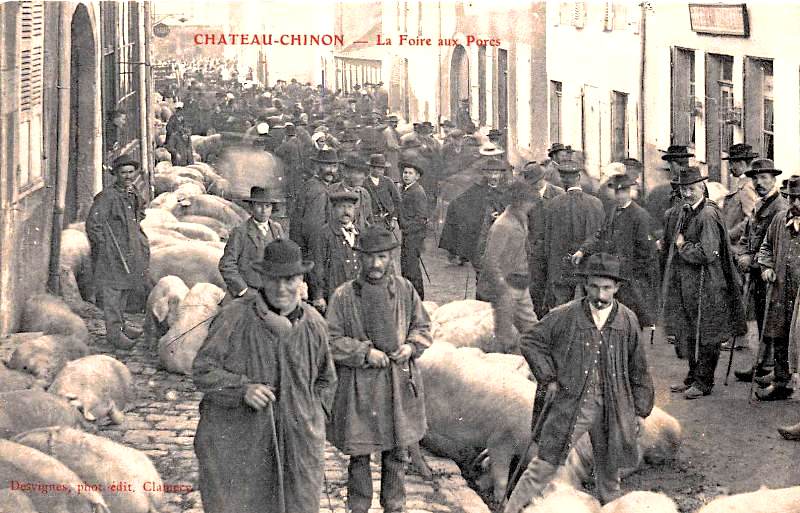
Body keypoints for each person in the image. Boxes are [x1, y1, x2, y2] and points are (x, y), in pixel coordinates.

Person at [193, 238, 337, 513]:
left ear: (301, 279)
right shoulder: (234, 317)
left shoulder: (315, 324)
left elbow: (326, 380)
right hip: (244, 444)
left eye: (289, 278)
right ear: (262, 278)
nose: (281, 287)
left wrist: (312, 417)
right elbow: (202, 370)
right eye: (273, 279)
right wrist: (242, 390)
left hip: (298, 446)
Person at [504, 253, 654, 512]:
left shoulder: (627, 320)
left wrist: (640, 411)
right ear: (585, 285)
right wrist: (548, 376)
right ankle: (511, 509)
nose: (600, 293)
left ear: (617, 288)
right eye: (594, 286)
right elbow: (530, 340)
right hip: (571, 403)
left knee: (609, 474)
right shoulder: (565, 315)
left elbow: (638, 369)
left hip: (612, 406)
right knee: (544, 465)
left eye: (607, 287)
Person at [325, 225, 431, 513]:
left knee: (396, 452)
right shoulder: (345, 296)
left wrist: (410, 347)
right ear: (360, 258)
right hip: (360, 389)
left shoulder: (405, 290)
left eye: (382, 257)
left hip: (396, 385)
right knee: (360, 454)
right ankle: (358, 507)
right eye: (370, 257)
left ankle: (394, 506)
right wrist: (364, 352)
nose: (375, 264)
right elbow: (330, 339)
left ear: (391, 258)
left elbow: (422, 327)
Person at [663, 167, 747, 399]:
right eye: (683, 189)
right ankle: (692, 376)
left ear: (702, 187)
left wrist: (682, 247)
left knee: (707, 332)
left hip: (708, 283)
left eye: (691, 189)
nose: (687, 194)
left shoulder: (707, 214)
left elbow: (708, 253)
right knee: (691, 329)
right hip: (691, 283)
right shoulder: (688, 211)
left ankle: (703, 382)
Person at [573, 174, 657, 329]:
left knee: (630, 320)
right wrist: (582, 250)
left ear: (629, 192)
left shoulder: (640, 215)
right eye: (617, 192)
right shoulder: (612, 211)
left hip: (630, 279)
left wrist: (633, 274)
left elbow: (646, 252)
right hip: (612, 274)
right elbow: (600, 235)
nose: (619, 195)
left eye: (623, 191)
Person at [86, 155, 150, 349]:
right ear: (116, 174)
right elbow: (93, 225)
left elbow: (140, 212)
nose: (128, 176)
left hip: (129, 249)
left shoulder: (132, 192)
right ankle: (114, 334)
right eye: (123, 173)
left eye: (131, 172)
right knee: (113, 293)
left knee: (124, 289)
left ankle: (121, 326)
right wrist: (105, 248)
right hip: (112, 253)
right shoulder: (108, 197)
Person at [733, 158, 786, 378]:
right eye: (755, 178)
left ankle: (771, 367)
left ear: (773, 179)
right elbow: (747, 235)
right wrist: (743, 254)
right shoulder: (758, 204)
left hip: (770, 273)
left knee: (773, 319)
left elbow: (776, 246)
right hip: (756, 272)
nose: (758, 183)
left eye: (764, 177)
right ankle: (763, 363)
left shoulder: (780, 208)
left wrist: (753, 261)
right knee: (763, 319)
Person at [477, 179, 540, 353]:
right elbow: (490, 260)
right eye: (529, 201)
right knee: (504, 336)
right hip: (506, 286)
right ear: (519, 201)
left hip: (521, 283)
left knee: (533, 330)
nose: (532, 205)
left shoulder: (521, 219)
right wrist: (501, 287)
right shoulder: (502, 225)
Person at [754, 176, 800, 401]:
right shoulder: (780, 220)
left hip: (799, 294)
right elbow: (765, 247)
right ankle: (781, 382)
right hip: (782, 288)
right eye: (792, 198)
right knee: (780, 333)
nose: (796, 204)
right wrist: (766, 267)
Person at [542, 161, 605, 312]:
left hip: (561, 266)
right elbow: (601, 236)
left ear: (562, 179)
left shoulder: (553, 204)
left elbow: (548, 241)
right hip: (588, 263)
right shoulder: (596, 203)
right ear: (578, 177)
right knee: (592, 305)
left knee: (561, 308)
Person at [439, 157, 508, 276]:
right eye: (490, 173)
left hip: (502, 235)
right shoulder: (477, 189)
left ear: (501, 175)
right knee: (480, 267)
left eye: (496, 173)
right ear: (485, 174)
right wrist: (481, 215)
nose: (493, 177)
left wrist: (502, 215)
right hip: (482, 234)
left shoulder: (507, 190)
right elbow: (457, 204)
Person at [218, 187, 285, 303]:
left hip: (271, 293)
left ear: (272, 208)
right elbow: (226, 264)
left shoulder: (277, 229)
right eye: (259, 206)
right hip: (246, 294)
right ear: (251, 207)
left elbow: (283, 261)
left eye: (267, 206)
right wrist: (243, 290)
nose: (263, 211)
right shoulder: (240, 232)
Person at [522, 161, 564, 316]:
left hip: (555, 248)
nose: (533, 186)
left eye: (535, 182)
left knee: (554, 287)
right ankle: (538, 319)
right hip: (535, 250)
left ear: (543, 178)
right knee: (535, 287)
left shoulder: (558, 193)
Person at [309, 191, 361, 312]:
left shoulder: (360, 233)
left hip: (356, 295)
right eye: (341, 207)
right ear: (333, 210)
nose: (346, 211)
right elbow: (317, 266)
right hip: (333, 295)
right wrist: (319, 295)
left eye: (349, 207)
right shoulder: (323, 234)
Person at [290, 146, 339, 258]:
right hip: (315, 250)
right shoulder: (317, 190)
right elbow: (314, 229)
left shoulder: (317, 185)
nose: (331, 170)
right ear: (317, 166)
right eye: (327, 166)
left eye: (334, 166)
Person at [364, 153, 402, 269]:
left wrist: (394, 218)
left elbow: (397, 201)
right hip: (371, 221)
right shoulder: (365, 183)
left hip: (386, 221)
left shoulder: (388, 182)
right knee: (372, 248)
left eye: (382, 168)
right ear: (371, 168)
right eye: (376, 168)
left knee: (387, 249)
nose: (380, 171)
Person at [398, 161, 429, 300]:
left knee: (412, 268)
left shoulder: (418, 191)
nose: (406, 175)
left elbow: (421, 219)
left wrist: (405, 227)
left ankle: (418, 298)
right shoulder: (405, 189)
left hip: (414, 236)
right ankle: (409, 297)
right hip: (407, 235)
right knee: (405, 266)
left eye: (410, 173)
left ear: (417, 176)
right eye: (405, 172)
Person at [721, 143, 759, 245]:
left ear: (741, 163)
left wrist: (730, 234)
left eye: (732, 163)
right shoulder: (746, 183)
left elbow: (751, 220)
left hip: (737, 246)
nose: (730, 167)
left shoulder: (746, 187)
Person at [329, 154, 374, 231]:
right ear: (346, 173)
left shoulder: (364, 194)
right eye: (359, 173)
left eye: (364, 173)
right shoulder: (332, 191)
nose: (363, 177)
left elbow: (369, 221)